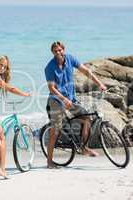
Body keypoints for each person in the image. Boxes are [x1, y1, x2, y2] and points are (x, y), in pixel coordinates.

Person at [44, 41, 107, 169]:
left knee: (86, 118)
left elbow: (86, 71)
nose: (58, 53)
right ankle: (49, 162)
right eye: (56, 51)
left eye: (60, 50)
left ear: (64, 49)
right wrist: (63, 99)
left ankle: (84, 147)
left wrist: (100, 83)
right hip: (56, 100)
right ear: (53, 52)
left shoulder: (70, 59)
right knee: (55, 131)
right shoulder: (49, 67)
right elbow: (51, 88)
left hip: (71, 99)